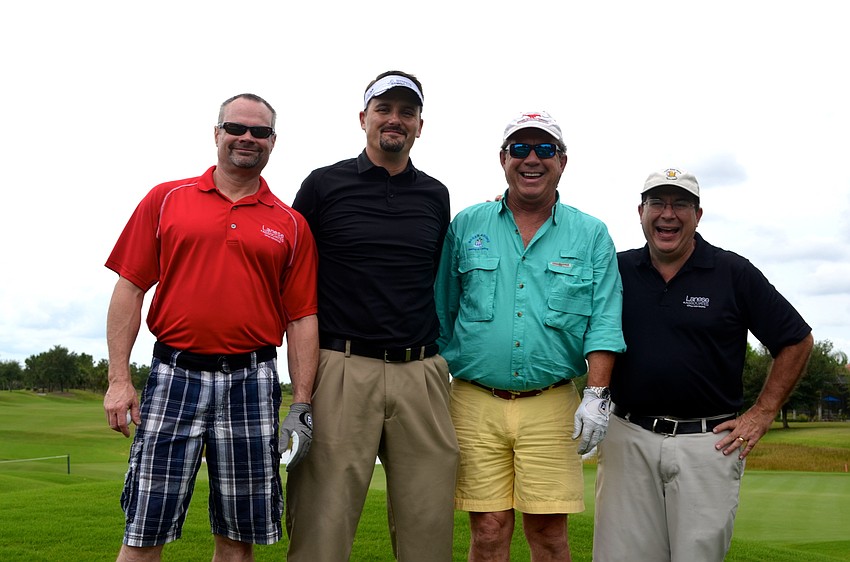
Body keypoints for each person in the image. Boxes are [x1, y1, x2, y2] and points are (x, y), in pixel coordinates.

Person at [103, 93, 319, 562]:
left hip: (252, 379)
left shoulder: (291, 223)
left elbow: (302, 319)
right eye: (236, 128)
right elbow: (130, 288)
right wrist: (119, 379)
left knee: (238, 538)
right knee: (144, 528)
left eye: (259, 132)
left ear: (272, 142)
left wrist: (301, 401)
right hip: (174, 374)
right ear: (216, 133)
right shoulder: (166, 199)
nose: (247, 138)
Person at [593, 168, 814, 562]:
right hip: (627, 437)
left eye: (681, 204)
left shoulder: (733, 272)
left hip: (708, 442)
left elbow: (795, 340)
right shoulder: (617, 269)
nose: (668, 214)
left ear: (698, 214)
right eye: (657, 203)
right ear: (640, 212)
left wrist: (762, 413)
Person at [434, 111, 626, 561]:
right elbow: (442, 310)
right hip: (473, 399)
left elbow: (604, 320)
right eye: (520, 149)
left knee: (548, 534)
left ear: (563, 161)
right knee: (487, 530)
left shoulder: (591, 233)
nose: (531, 159)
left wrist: (597, 394)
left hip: (553, 401)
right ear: (503, 159)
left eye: (544, 149)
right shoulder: (466, 224)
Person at [284, 71, 459, 561]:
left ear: (420, 126)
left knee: (428, 523)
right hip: (341, 367)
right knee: (323, 521)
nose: (395, 120)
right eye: (384, 109)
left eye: (407, 112)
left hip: (421, 371)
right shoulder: (324, 185)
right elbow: (293, 277)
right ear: (364, 118)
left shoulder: (435, 194)